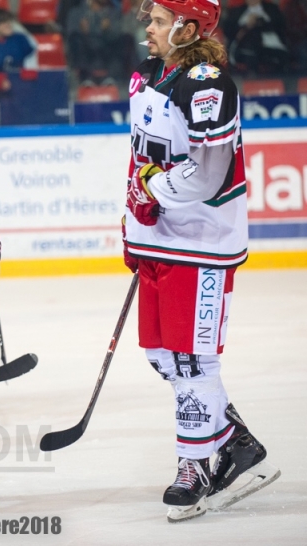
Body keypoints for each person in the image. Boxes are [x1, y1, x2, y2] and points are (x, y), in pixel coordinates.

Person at [124, 0, 281, 522]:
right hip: (159, 237)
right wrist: (135, 220)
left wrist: (155, 191)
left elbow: (208, 174)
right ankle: (234, 440)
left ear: (188, 30)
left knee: (192, 360)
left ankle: (193, 463)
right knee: (162, 356)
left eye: (159, 22)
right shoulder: (151, 73)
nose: (148, 28)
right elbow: (141, 156)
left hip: (202, 242)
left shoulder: (208, 84)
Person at [65, 0, 125, 85]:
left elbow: (118, 34)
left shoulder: (114, 13)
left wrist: (108, 30)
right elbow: (70, 36)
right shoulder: (76, 13)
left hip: (107, 57)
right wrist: (82, 32)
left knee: (121, 39)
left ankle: (111, 78)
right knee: (76, 38)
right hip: (86, 56)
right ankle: (85, 78)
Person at [224, 0, 289, 75]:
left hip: (270, 45)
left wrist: (260, 22)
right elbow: (229, 31)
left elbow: (281, 27)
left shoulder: (272, 9)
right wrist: (247, 26)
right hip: (245, 47)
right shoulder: (236, 11)